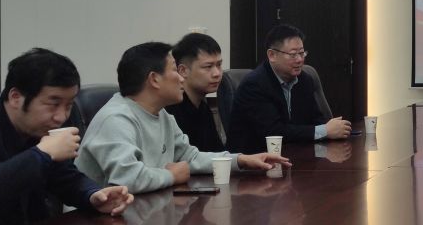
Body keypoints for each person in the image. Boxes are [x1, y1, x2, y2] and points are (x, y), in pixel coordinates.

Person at [77, 42, 290, 193]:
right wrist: (171, 176)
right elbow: (127, 179)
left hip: (143, 211)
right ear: (154, 79)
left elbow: (190, 157)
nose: (181, 78)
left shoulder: (162, 114)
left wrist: (241, 160)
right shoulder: (116, 119)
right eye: (174, 70)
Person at [0, 48, 133, 225]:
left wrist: (94, 195)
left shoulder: (42, 126)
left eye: (69, 105)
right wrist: (41, 154)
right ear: (15, 97)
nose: (61, 116)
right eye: (53, 104)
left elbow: (63, 177)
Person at [226, 23, 351, 154]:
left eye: (302, 53)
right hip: (255, 159)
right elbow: (274, 132)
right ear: (272, 55)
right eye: (293, 54)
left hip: (295, 154)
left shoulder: (305, 80)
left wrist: (333, 129)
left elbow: (316, 120)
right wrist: (324, 131)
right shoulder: (254, 85)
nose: (299, 60)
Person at [166, 32, 226, 152]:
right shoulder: (170, 111)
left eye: (219, 65)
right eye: (208, 67)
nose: (217, 73)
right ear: (183, 70)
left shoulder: (202, 107)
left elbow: (216, 153)